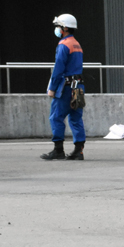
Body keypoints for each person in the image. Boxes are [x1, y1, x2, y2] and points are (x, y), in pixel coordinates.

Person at [41, 14, 86, 161]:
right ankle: (79, 151)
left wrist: (52, 88)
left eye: (59, 26)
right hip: (78, 86)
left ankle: (58, 150)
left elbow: (58, 69)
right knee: (76, 118)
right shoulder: (77, 44)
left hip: (65, 87)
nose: (57, 29)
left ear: (65, 28)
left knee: (56, 117)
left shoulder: (64, 45)